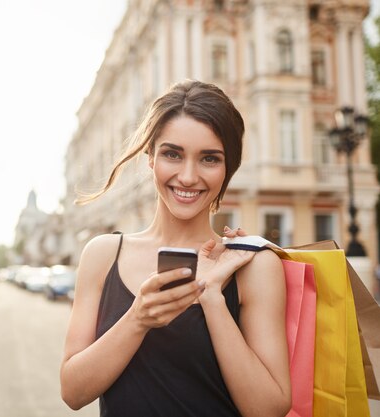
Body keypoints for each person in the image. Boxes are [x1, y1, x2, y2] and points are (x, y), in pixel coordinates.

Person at [60, 80, 291, 416]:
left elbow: (268, 410)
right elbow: (73, 392)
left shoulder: (253, 265)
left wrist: (212, 297)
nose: (187, 176)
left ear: (229, 168)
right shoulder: (102, 254)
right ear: (150, 157)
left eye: (209, 159)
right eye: (172, 154)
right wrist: (138, 318)